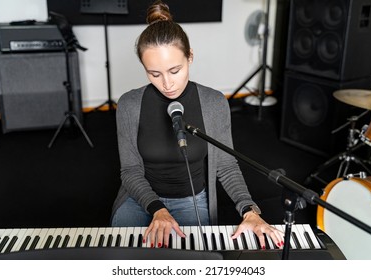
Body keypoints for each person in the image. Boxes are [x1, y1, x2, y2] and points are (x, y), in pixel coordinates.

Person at [111, 0, 284, 250]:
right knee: (123, 256)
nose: (167, 84)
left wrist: (249, 210)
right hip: (139, 198)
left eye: (175, 70)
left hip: (190, 199)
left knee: (196, 260)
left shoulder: (214, 103)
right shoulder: (129, 104)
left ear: (190, 57)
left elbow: (226, 166)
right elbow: (130, 171)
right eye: (154, 74)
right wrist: (156, 209)